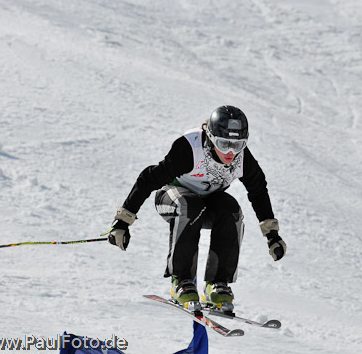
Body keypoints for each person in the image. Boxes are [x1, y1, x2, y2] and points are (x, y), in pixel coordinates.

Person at [106, 105, 286, 310]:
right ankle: (181, 281)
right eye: (223, 143)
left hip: (206, 203)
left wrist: (272, 235)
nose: (230, 152)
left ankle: (217, 284)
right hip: (171, 197)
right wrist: (123, 221)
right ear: (210, 136)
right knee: (190, 205)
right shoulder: (190, 149)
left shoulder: (242, 158)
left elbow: (258, 191)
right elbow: (149, 178)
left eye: (238, 145)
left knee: (231, 209)